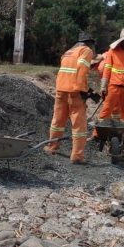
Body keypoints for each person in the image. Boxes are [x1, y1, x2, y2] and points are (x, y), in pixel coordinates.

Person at [45, 31, 96, 164]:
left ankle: (52, 147)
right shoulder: (86, 51)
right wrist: (83, 91)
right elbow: (81, 70)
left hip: (61, 90)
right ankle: (77, 156)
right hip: (75, 92)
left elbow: (68, 71)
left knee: (58, 121)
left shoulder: (68, 52)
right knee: (79, 125)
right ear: (89, 43)